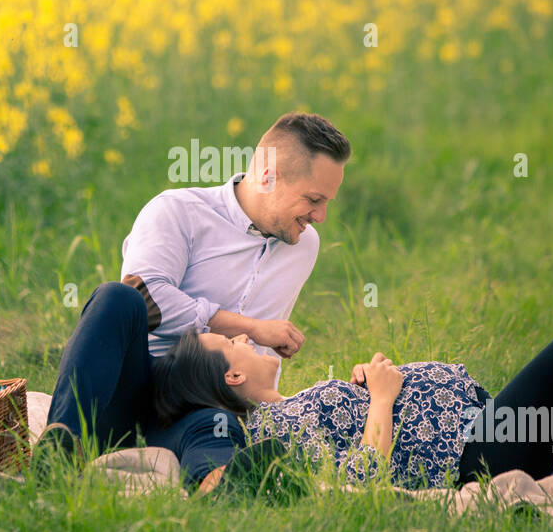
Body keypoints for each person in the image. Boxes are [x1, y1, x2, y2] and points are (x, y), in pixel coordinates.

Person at [152, 306, 553, 494]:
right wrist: (380, 398)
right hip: (479, 453)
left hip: (486, 429)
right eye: (225, 341)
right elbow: (360, 477)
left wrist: (363, 390)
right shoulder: (272, 431)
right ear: (229, 378)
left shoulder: (288, 407)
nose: (240, 335)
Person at [38, 112, 351, 485]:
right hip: (132, 390)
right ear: (267, 176)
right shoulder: (178, 211)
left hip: (205, 410)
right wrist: (249, 326)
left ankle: (219, 486)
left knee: (217, 425)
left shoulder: (301, 244)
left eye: (327, 201)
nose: (321, 215)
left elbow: (257, 359)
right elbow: (145, 293)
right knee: (117, 298)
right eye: (313, 199)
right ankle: (57, 452)